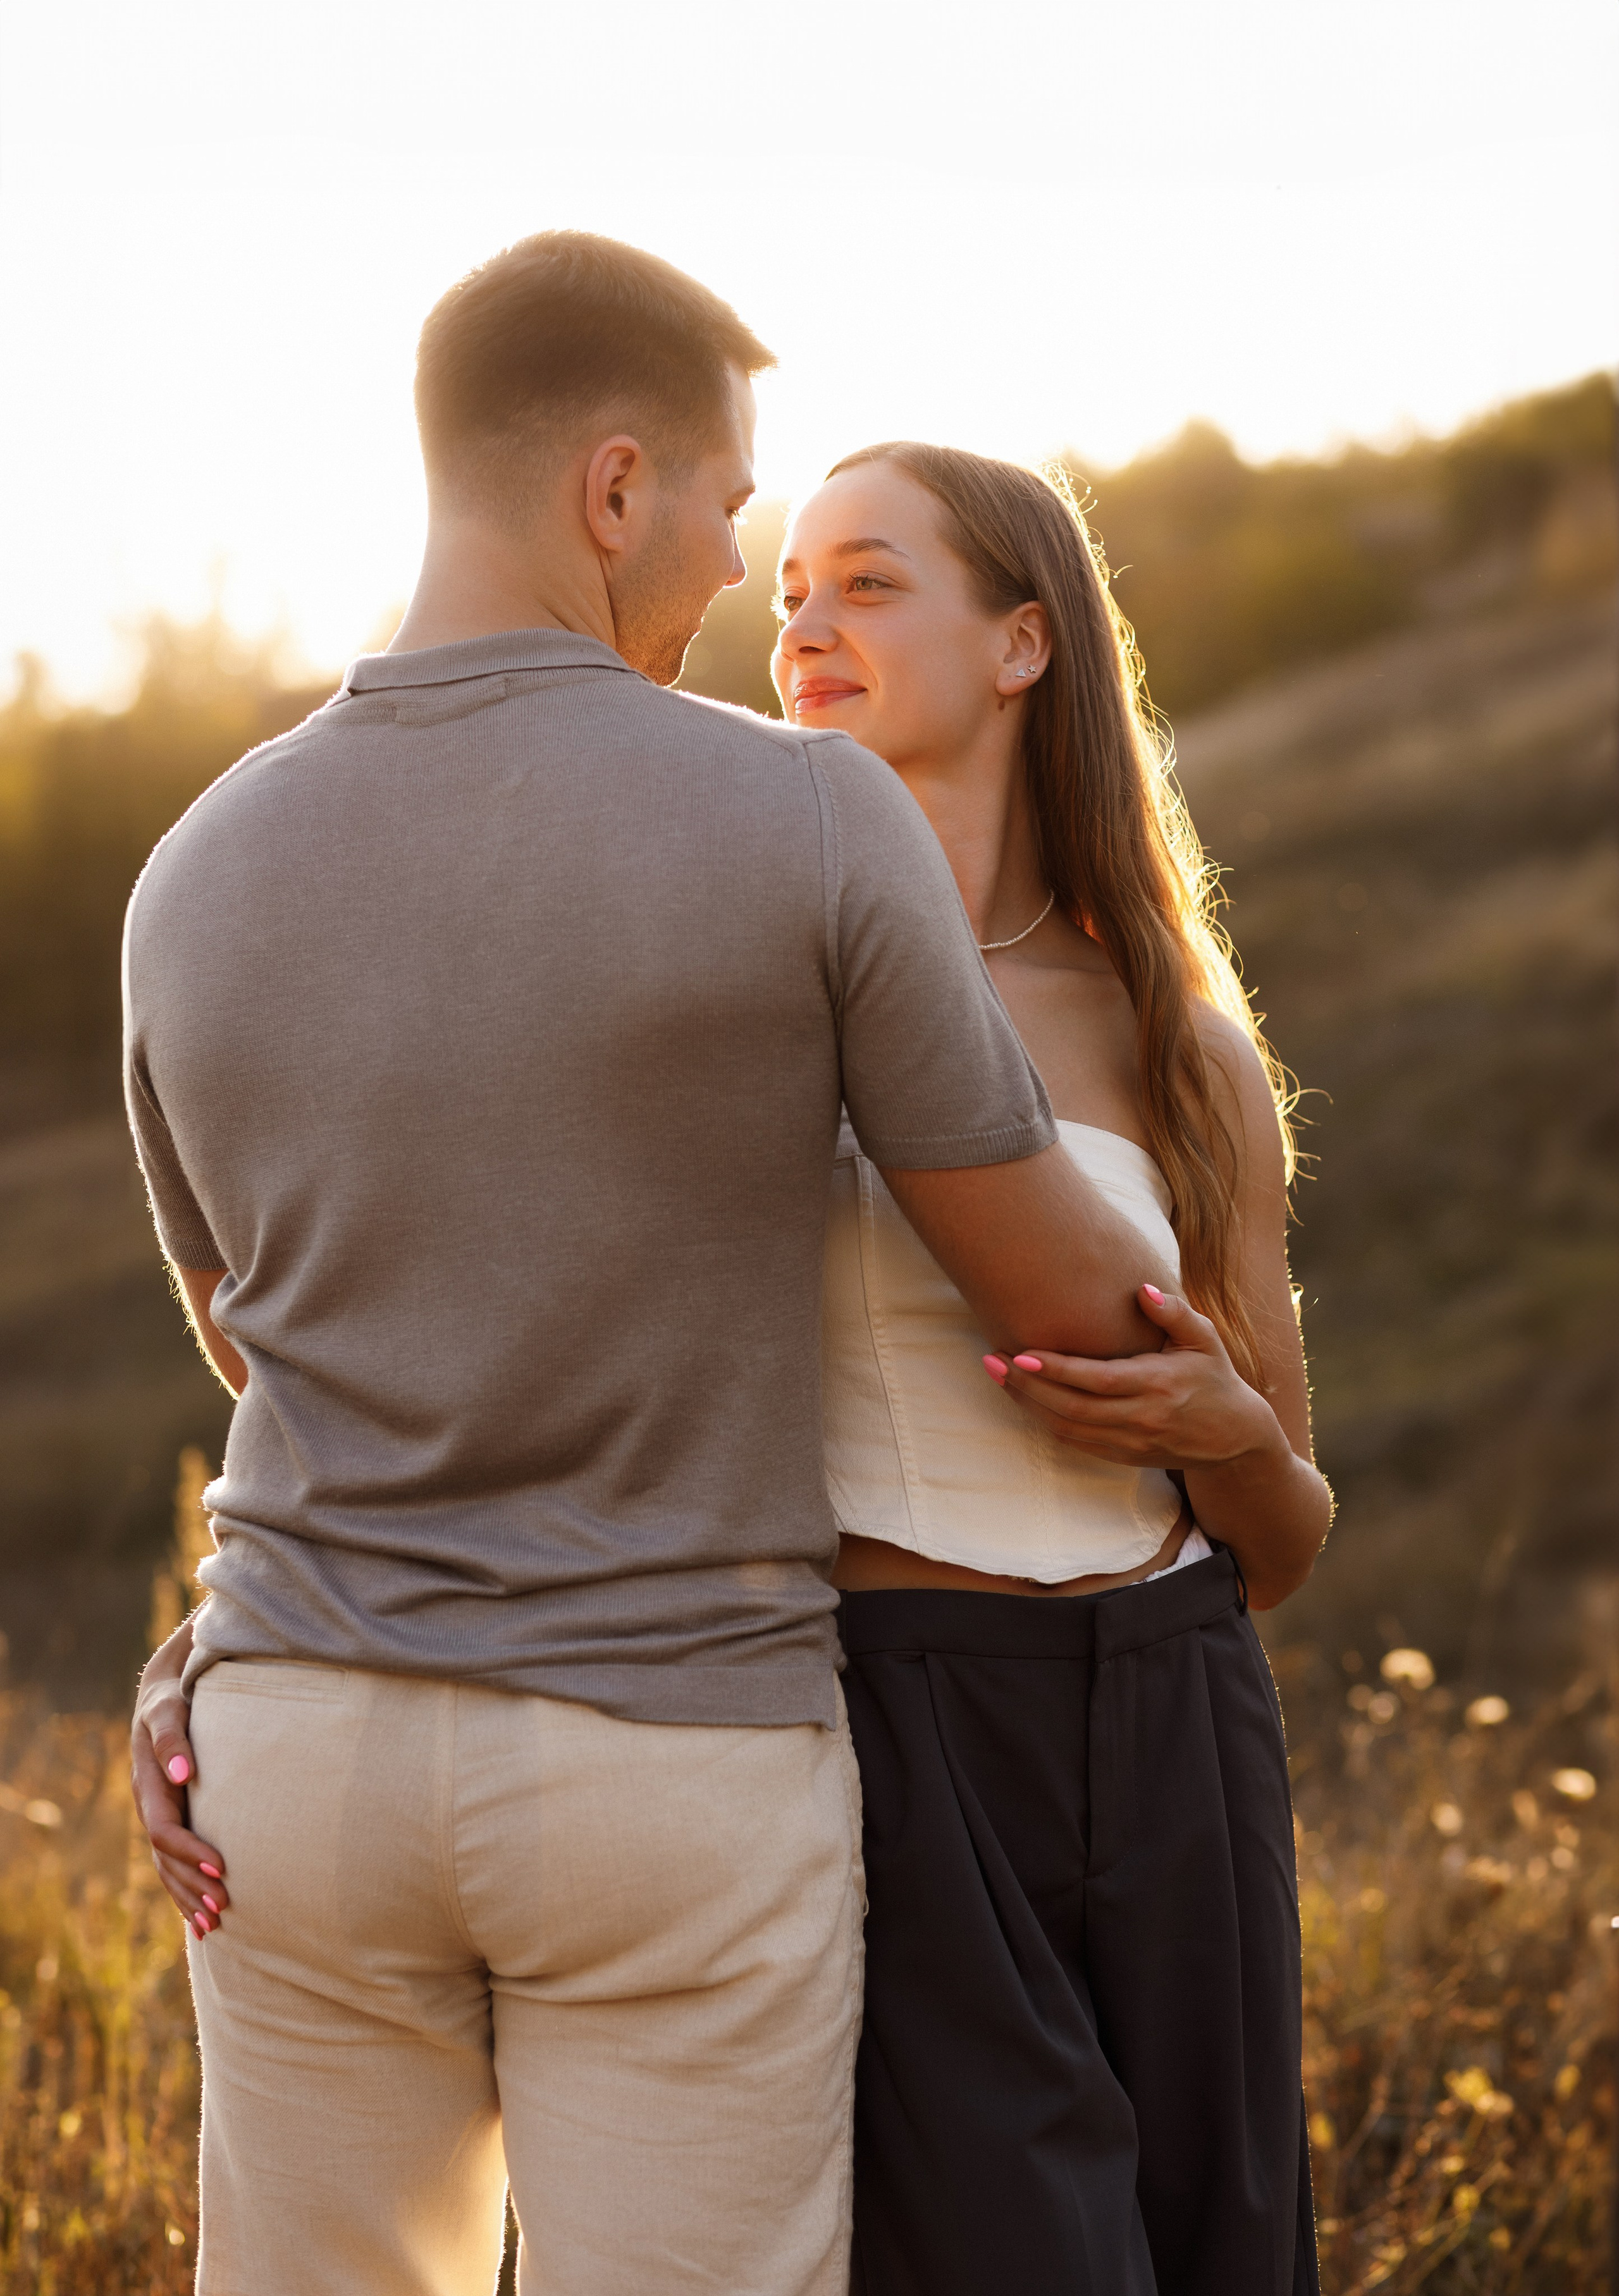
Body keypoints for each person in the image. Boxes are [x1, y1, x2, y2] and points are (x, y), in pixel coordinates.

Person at [122, 235, 1178, 2296]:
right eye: (721, 510)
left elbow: (256, 1359)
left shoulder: (193, 869)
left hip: (295, 1753)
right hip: (670, 1750)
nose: (726, 573)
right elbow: (1056, 1310)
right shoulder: (804, 821)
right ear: (614, 489)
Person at [773, 442, 1331, 2295]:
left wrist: (1235, 1431)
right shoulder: (756, 983)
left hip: (1181, 1712)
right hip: (899, 1715)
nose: (803, 623)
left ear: (1024, 645)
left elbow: (1289, 1531)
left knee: (1220, 2252)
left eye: (866, 581)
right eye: (786, 591)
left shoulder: (1182, 1041)